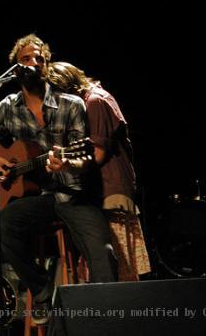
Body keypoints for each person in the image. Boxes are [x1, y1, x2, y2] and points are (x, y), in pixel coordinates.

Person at [0, 34, 118, 324]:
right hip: (40, 196)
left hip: (75, 194)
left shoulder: (71, 104)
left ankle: (104, 318)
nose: (34, 63)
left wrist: (67, 162)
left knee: (103, 253)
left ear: (47, 66)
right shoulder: (7, 107)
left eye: (40, 59)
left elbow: (86, 158)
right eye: (26, 59)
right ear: (15, 69)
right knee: (0, 227)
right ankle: (40, 288)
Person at [47, 61, 151, 281]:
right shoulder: (92, 97)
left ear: (68, 89)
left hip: (110, 189)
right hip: (101, 189)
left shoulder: (94, 101)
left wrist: (65, 162)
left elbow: (98, 154)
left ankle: (124, 311)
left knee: (119, 263)